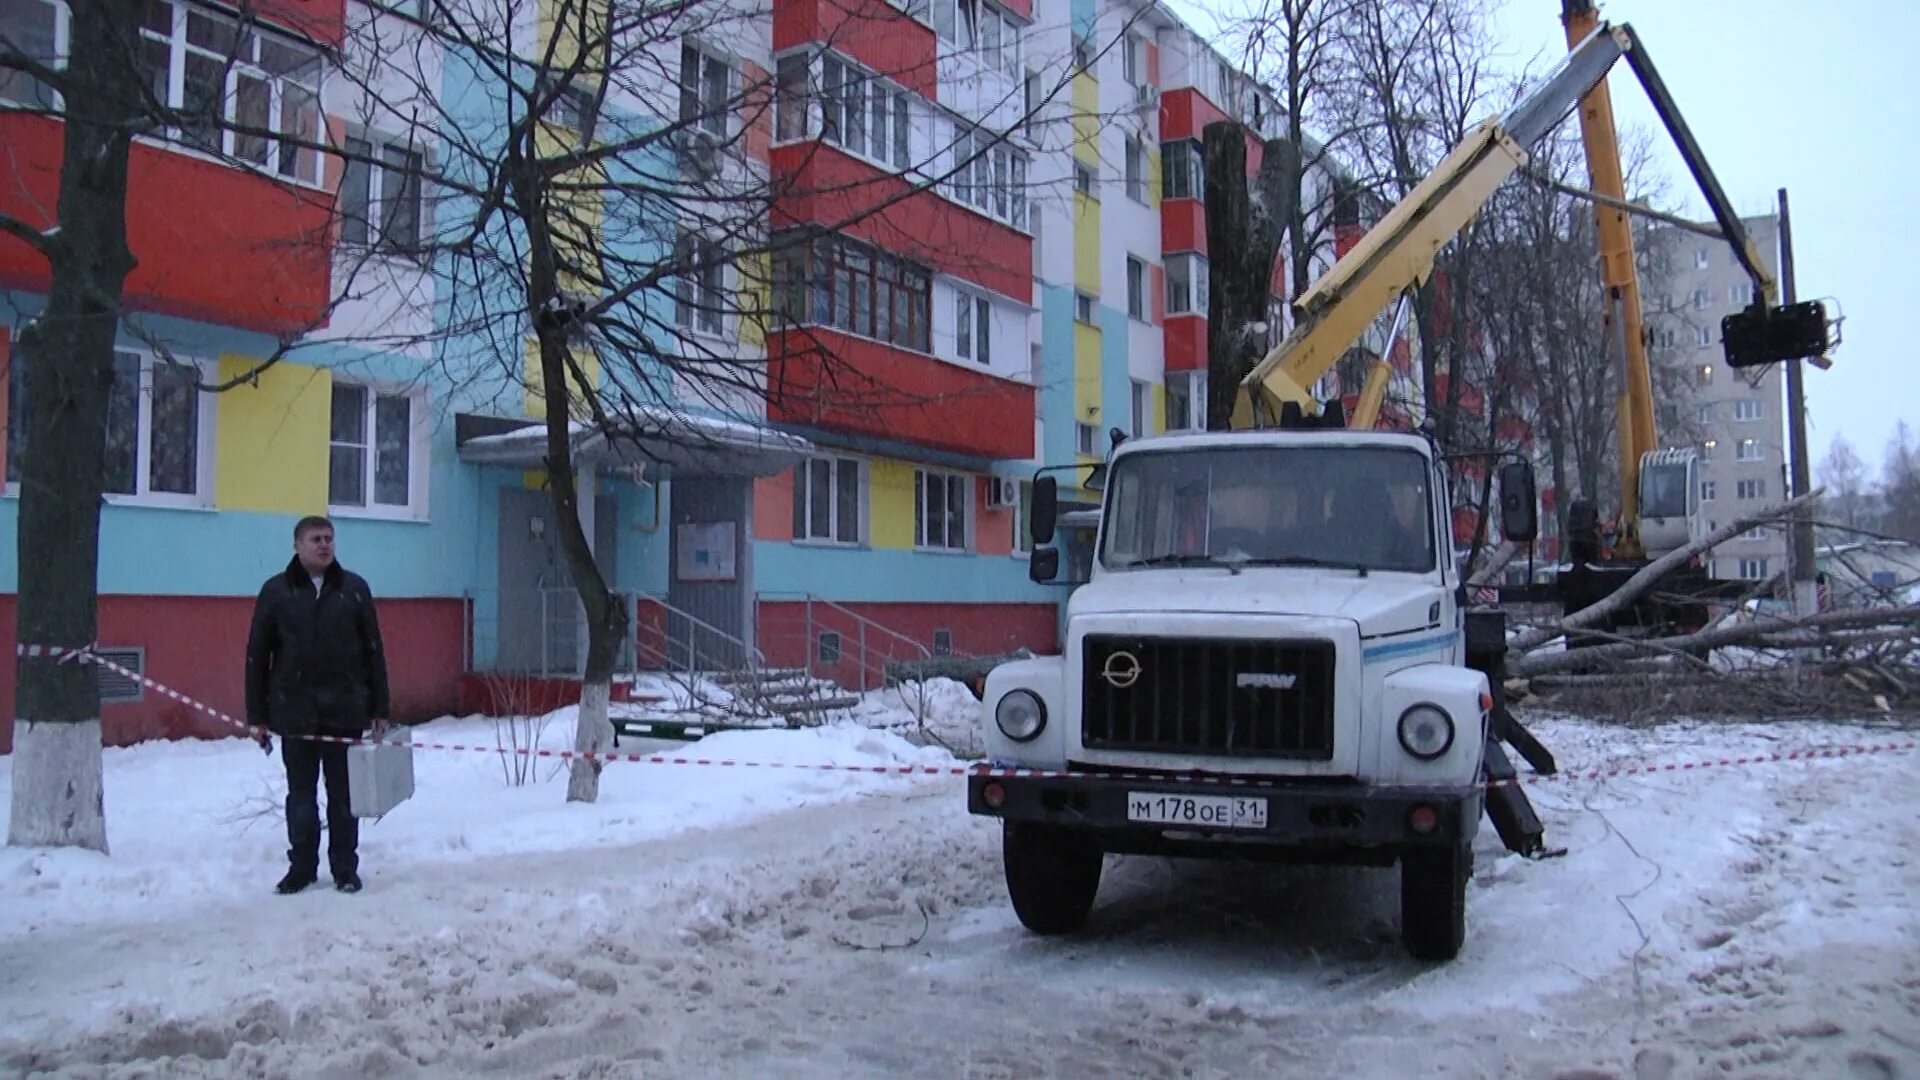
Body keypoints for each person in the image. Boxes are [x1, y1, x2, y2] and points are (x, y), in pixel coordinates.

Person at [246, 515, 391, 895]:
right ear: (297, 546)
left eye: (329, 539)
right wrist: (256, 716)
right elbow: (258, 656)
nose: (324, 545)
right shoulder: (276, 592)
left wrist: (379, 708)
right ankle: (302, 868)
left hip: (345, 712)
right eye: (316, 539)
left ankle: (345, 869)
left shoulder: (353, 589)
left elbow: (374, 651)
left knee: (343, 799)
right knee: (301, 798)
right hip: (296, 715)